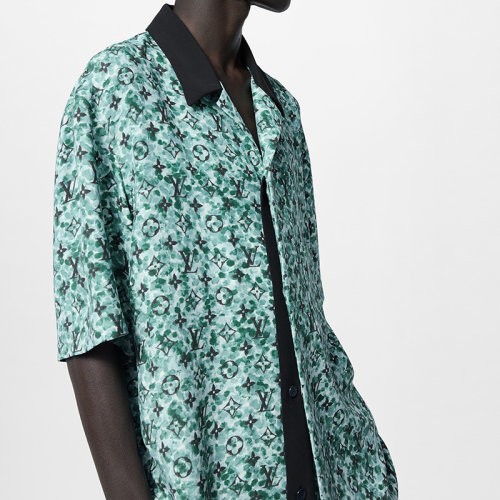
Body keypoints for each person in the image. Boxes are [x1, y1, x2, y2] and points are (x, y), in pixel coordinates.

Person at [52, 1, 399, 498]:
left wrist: (367, 466)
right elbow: (89, 327)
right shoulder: (116, 91)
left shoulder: (281, 111)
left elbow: (307, 323)